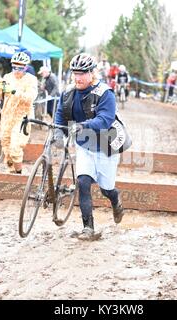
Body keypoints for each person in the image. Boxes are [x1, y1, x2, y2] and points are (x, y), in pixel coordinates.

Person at [53, 53, 124, 241]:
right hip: (84, 144)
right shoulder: (68, 93)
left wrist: (83, 125)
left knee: (106, 189)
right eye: (75, 73)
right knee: (83, 182)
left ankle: (115, 200)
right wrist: (58, 133)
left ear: (92, 73)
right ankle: (88, 228)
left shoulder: (105, 93)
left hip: (106, 145)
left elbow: (105, 119)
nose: (78, 77)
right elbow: (60, 115)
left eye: (83, 73)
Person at [0, 51, 38, 174]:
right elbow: (0, 93)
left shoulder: (31, 79)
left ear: (26, 67)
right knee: (7, 149)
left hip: (22, 117)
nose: (17, 70)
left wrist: (14, 91)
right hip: (7, 116)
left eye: (20, 67)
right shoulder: (7, 77)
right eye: (14, 67)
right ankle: (12, 173)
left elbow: (30, 97)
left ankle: (19, 173)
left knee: (15, 148)